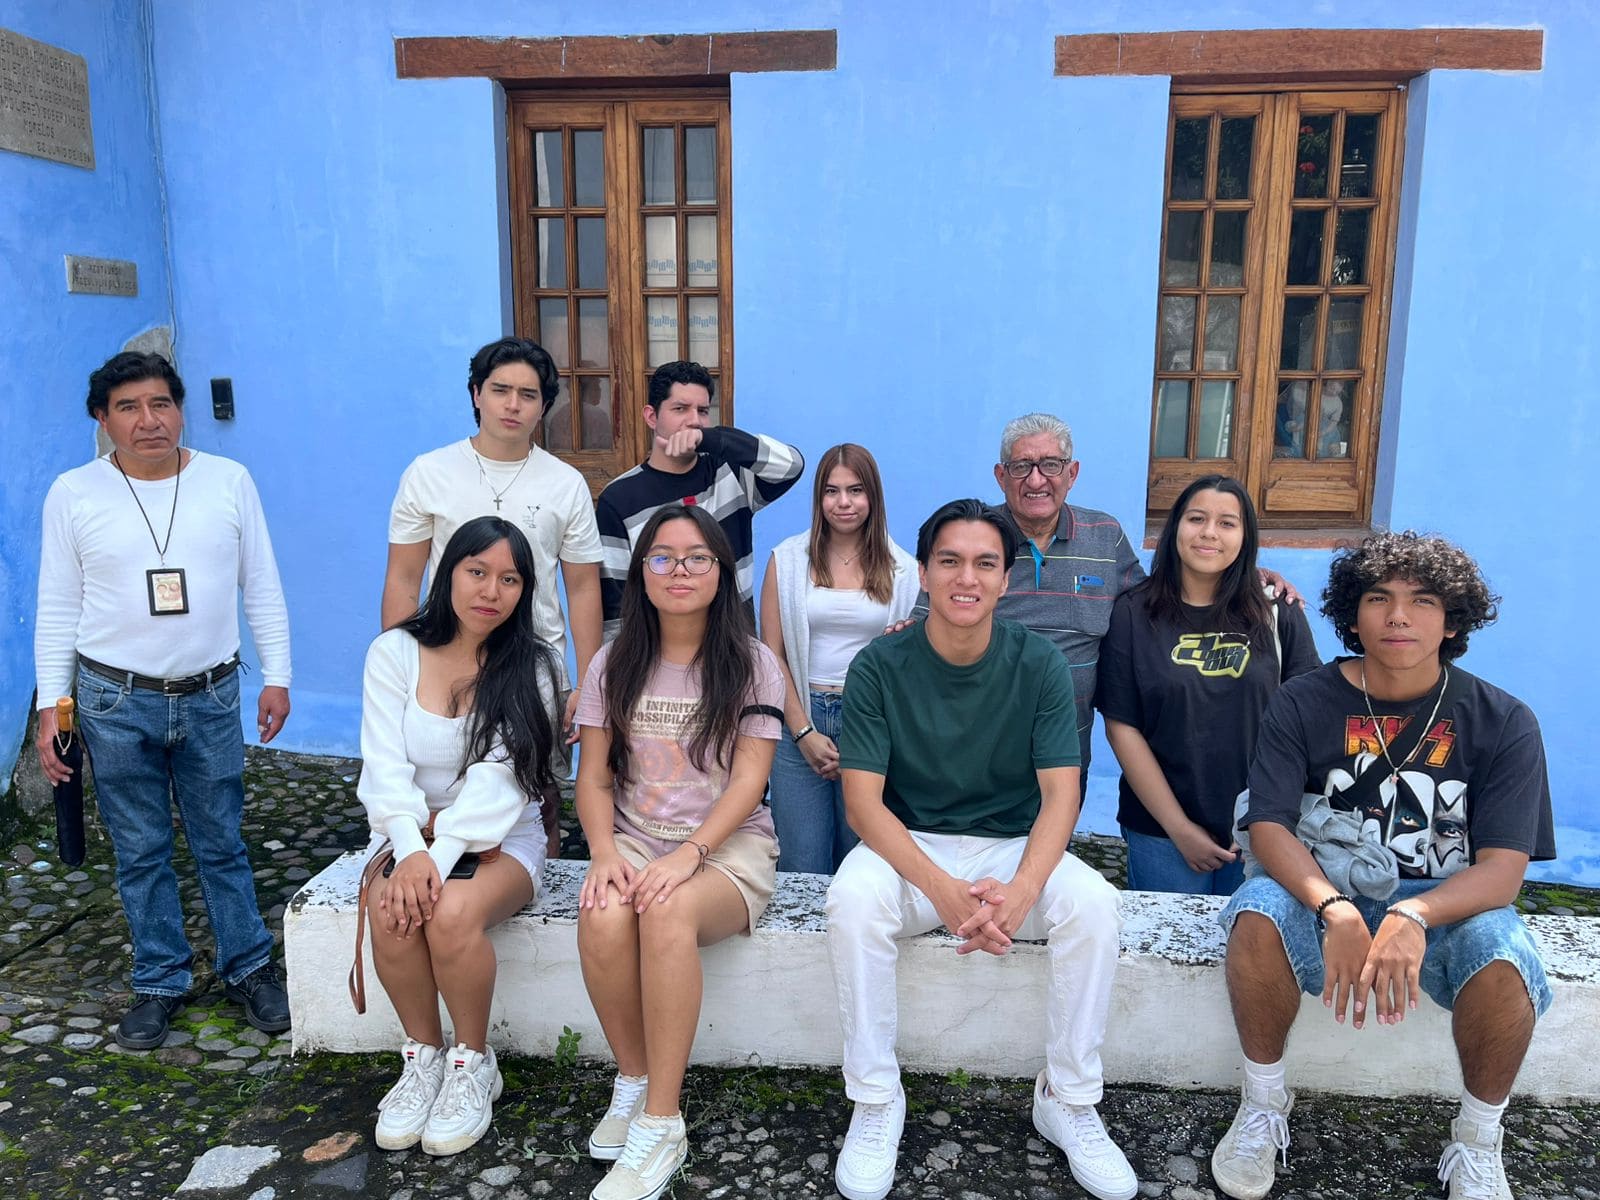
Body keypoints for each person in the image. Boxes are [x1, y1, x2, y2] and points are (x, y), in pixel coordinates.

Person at [1211, 532, 1555, 1200]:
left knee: (1505, 951)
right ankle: (1262, 1104)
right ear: (1354, 613)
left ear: (1452, 621)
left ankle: (1478, 1141)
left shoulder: (1504, 720)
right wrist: (1334, 907)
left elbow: (1504, 872)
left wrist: (1413, 914)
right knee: (1257, 911)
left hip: (1442, 904)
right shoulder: (1302, 701)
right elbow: (1269, 825)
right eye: (1379, 598)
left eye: (1422, 601)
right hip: (1326, 891)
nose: (1399, 616)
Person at [827, 499, 1136, 1200]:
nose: (966, 578)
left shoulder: (1040, 663)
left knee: (1094, 906)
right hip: (911, 847)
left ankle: (1068, 1099)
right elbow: (863, 805)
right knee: (851, 900)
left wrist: (1023, 889)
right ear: (923, 573)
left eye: (985, 563)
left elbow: (1061, 794)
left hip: (1011, 847)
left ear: (1005, 578)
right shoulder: (880, 664)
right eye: (950, 561)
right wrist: (940, 889)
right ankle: (875, 1098)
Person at [33, 350, 292, 1050]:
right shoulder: (74, 493)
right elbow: (57, 604)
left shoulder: (228, 481)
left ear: (179, 409)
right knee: (141, 849)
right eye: (128, 407)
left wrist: (278, 674)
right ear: (102, 418)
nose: (149, 420)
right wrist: (53, 707)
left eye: (161, 403)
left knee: (222, 841)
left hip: (210, 694)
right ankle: (159, 980)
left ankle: (249, 968)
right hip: (113, 701)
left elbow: (262, 582)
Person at [573, 504, 786, 1200]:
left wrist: (691, 853)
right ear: (642, 573)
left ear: (722, 573)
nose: (680, 571)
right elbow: (593, 777)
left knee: (665, 913)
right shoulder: (614, 662)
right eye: (662, 558)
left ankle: (663, 1123)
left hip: (728, 847)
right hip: (635, 838)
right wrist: (603, 852)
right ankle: (633, 1079)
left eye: (698, 558)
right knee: (602, 912)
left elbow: (750, 781)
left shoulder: (753, 664)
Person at [356, 517, 563, 1156]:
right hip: (408, 830)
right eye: (477, 572)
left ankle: (472, 1063)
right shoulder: (393, 653)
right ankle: (422, 1058)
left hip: (505, 834)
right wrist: (410, 851)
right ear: (449, 573)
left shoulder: (534, 666)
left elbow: (503, 779)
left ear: (524, 591)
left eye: (510, 579)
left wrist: (436, 857)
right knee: (390, 908)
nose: (491, 591)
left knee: (447, 913)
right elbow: (383, 765)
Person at [383, 336, 603, 860]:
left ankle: (533, 890)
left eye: (528, 395)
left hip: (534, 666)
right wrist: (398, 664)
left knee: (538, 798)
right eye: (500, 389)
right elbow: (404, 579)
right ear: (476, 393)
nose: (513, 405)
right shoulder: (429, 473)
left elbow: (582, 588)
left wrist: (588, 682)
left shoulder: (566, 484)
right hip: (444, 662)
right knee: (443, 790)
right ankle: (444, 878)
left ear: (543, 406)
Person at [1096, 476, 1319, 895]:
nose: (1209, 533)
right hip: (1161, 833)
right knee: (1165, 939)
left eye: (1227, 523)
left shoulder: (1277, 611)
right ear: (1175, 528)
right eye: (1196, 518)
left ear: (1245, 536)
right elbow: (1122, 726)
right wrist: (1179, 828)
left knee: (1252, 937)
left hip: (1265, 828)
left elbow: (1306, 720)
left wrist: (1266, 818)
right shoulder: (1133, 613)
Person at [759, 444, 920, 873]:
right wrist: (803, 732)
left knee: (862, 861)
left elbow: (907, 661)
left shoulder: (904, 571)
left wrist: (866, 735)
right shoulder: (786, 561)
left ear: (873, 496)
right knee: (802, 862)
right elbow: (771, 653)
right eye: (832, 491)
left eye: (855, 490)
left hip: (870, 723)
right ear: (819, 498)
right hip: (799, 716)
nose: (843, 502)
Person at [596, 360, 803, 640]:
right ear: (651, 417)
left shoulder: (731, 473)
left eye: (703, 411)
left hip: (734, 649)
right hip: (660, 655)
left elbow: (791, 465)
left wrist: (714, 440)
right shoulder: (619, 498)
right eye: (680, 409)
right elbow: (617, 606)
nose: (694, 421)